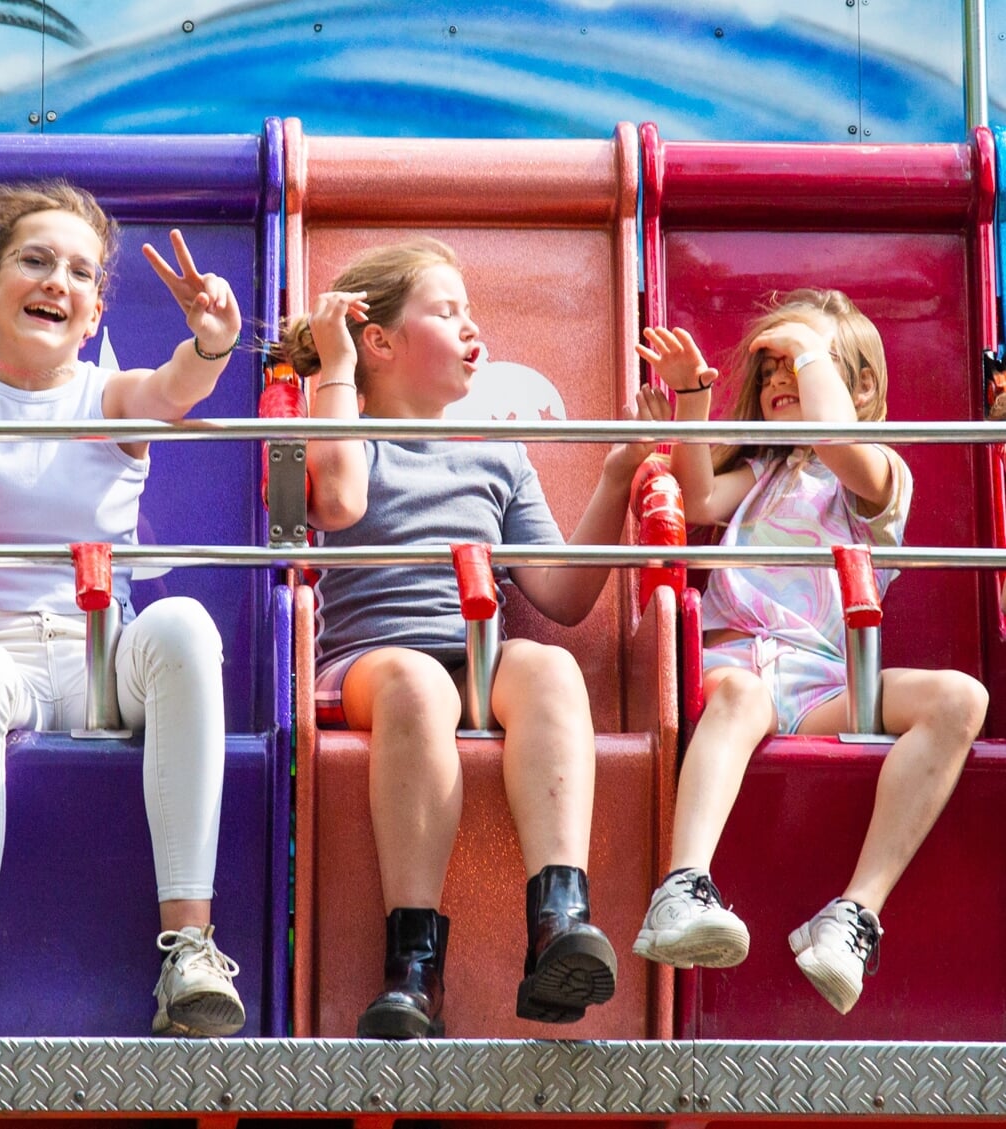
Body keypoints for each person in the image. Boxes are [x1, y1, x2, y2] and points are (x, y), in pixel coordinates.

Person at [0, 182, 245, 1038]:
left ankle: (192, 951)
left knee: (184, 628)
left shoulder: (107, 396)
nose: (54, 279)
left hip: (104, 659)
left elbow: (172, 388)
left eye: (78, 271)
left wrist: (212, 343)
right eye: (33, 259)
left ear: (96, 310)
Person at [289, 237, 648, 1038]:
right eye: (447, 312)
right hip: (372, 662)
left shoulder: (497, 450)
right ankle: (413, 964)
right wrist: (334, 366)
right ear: (378, 342)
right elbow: (339, 503)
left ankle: (558, 918)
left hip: (476, 659)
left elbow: (559, 593)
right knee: (416, 683)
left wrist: (617, 477)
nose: (472, 328)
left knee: (550, 668)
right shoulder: (343, 427)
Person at [631, 292, 985, 1014]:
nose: (777, 377)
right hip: (738, 664)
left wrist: (810, 347)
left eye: (796, 362)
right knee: (739, 696)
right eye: (768, 372)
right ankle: (681, 886)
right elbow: (697, 497)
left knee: (960, 698)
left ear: (856, 388)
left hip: (824, 681)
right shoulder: (762, 475)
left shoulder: (875, 475)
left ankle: (853, 912)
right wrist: (695, 398)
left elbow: (835, 441)